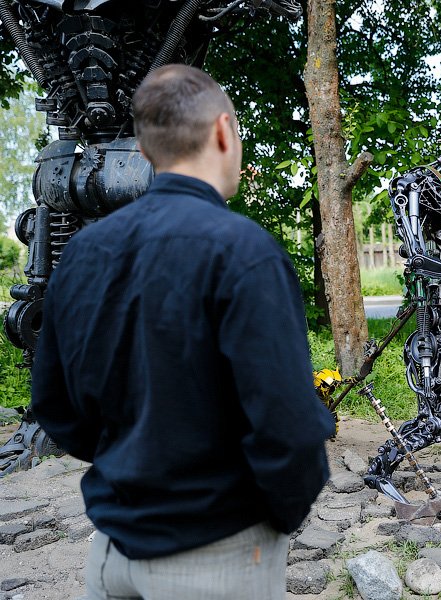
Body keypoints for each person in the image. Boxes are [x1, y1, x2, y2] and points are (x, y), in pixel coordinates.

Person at [30, 64, 334, 600]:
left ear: (146, 152)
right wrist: (278, 516)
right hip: (217, 555)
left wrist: (128, 468)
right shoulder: (245, 253)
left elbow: (54, 406)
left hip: (109, 555)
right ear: (223, 131)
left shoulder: (82, 253)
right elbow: (289, 425)